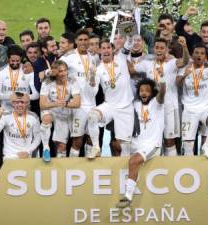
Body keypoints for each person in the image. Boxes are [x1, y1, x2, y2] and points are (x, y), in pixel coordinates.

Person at [131, 37, 189, 156]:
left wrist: (184, 47)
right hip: (153, 108)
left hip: (168, 106)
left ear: (167, 50)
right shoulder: (147, 64)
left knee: (169, 140)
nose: (159, 50)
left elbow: (185, 61)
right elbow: (131, 70)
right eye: (157, 47)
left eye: (162, 48)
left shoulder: (172, 63)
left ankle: (172, 169)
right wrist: (123, 53)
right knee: (152, 140)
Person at [116, 78, 166, 208]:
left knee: (133, 161)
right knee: (116, 144)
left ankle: (128, 196)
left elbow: (162, 94)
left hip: (152, 145)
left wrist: (163, 82)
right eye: (142, 90)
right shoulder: (135, 105)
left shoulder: (157, 104)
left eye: (147, 91)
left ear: (152, 93)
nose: (144, 93)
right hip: (137, 143)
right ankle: (133, 175)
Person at [87, 36, 137, 158]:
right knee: (92, 116)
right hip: (110, 106)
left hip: (126, 108)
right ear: (99, 51)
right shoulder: (98, 69)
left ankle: (124, 173)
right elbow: (93, 91)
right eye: (103, 48)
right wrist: (92, 76)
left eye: (108, 47)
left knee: (125, 146)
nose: (106, 50)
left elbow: (129, 44)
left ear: (112, 49)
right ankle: (96, 147)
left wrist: (129, 33)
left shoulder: (121, 59)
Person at [176, 43, 208, 157]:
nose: (199, 55)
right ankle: (188, 170)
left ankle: (206, 145)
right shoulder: (185, 68)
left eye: (202, 53)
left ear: (206, 57)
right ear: (192, 55)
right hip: (189, 111)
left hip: (204, 109)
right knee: (188, 146)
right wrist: (184, 75)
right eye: (196, 53)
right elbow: (177, 84)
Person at [60, 29, 100, 158]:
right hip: (78, 105)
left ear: (89, 41)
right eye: (80, 40)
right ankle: (72, 167)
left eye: (86, 40)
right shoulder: (68, 57)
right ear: (76, 41)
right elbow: (56, 70)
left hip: (92, 104)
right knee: (77, 141)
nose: (83, 42)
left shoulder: (94, 57)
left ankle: (89, 169)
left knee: (91, 140)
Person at [39, 60, 81, 161]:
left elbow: (77, 103)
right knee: (46, 118)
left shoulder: (73, 81)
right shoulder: (47, 82)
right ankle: (46, 148)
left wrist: (65, 103)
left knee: (61, 146)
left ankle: (63, 167)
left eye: (65, 70)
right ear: (55, 72)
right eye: (61, 71)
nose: (64, 73)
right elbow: (42, 104)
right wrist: (55, 104)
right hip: (50, 108)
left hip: (64, 111)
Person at [0, 92, 41, 159]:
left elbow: (38, 138)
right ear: (12, 104)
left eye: (22, 102)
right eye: (17, 102)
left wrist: (28, 151)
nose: (20, 105)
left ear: (27, 103)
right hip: (9, 156)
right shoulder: (5, 115)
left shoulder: (33, 117)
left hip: (26, 156)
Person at [0, 45, 39, 112]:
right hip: (6, 111)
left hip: (25, 111)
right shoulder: (0, 72)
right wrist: (10, 97)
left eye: (17, 61)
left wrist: (25, 97)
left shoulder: (28, 71)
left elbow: (36, 94)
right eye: (12, 61)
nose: (15, 63)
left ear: (21, 58)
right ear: (8, 58)